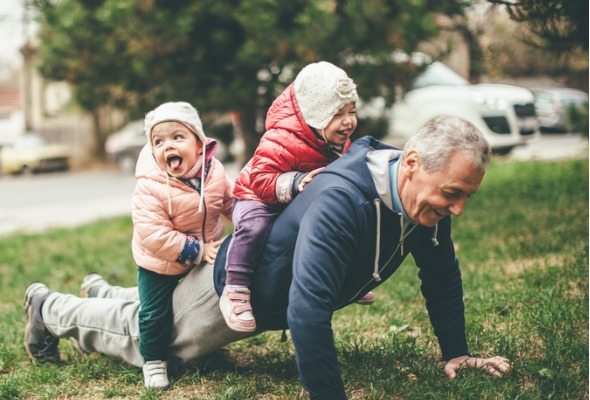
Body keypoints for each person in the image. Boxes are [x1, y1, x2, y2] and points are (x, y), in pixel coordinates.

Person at [23, 116, 511, 399]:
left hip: (260, 290)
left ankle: (105, 293)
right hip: (230, 291)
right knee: (140, 336)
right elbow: (307, 310)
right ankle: (48, 309)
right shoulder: (343, 200)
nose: (458, 209)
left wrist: (457, 353)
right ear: (410, 164)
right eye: (452, 194)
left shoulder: (422, 199)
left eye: (465, 196)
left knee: (144, 312)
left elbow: (441, 275)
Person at [221, 60, 374, 333]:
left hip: (297, 197)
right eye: (337, 114)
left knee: (334, 224)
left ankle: (345, 279)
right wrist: (295, 182)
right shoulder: (280, 138)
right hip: (257, 195)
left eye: (352, 111)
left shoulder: (335, 141)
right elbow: (259, 178)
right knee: (255, 227)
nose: (348, 121)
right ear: (314, 115)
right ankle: (235, 288)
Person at [119, 101, 233, 389]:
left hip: (204, 252)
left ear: (199, 144)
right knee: (155, 312)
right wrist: (196, 250)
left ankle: (207, 345)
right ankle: (154, 360)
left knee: (206, 302)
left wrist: (248, 218)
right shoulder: (150, 185)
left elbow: (230, 202)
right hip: (159, 262)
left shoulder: (214, 172)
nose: (167, 145)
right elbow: (153, 234)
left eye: (177, 137)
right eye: (158, 141)